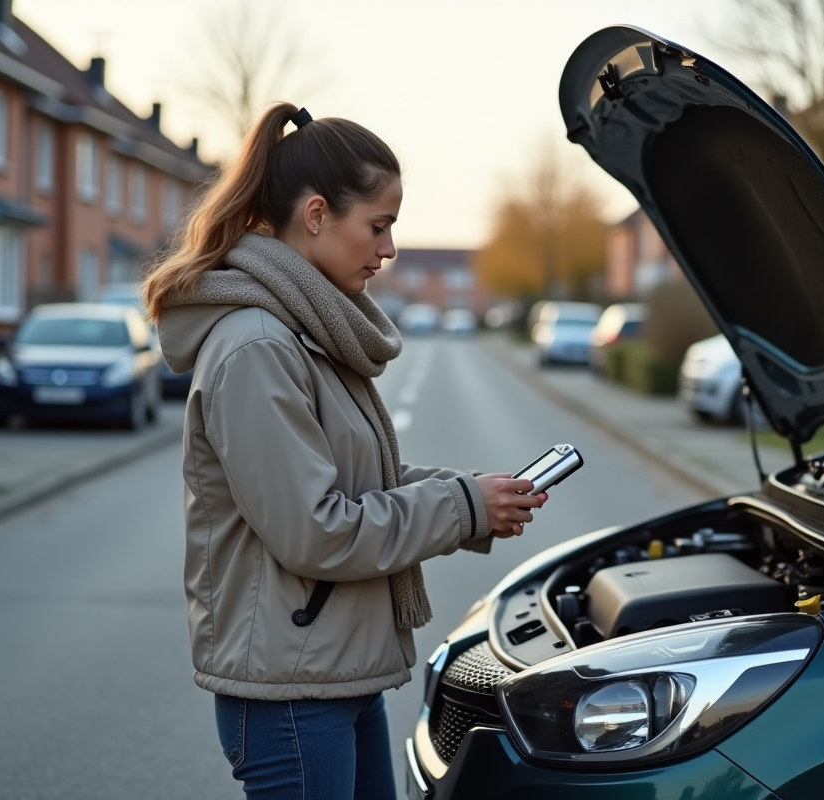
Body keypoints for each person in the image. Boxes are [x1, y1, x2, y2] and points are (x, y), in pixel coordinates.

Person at [140, 103, 546, 799]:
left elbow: (361, 482)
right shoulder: (259, 348)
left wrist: (475, 496)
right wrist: (458, 507)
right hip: (291, 695)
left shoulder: (305, 335)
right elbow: (317, 529)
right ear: (319, 215)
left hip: (330, 675)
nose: (388, 250)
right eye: (379, 226)